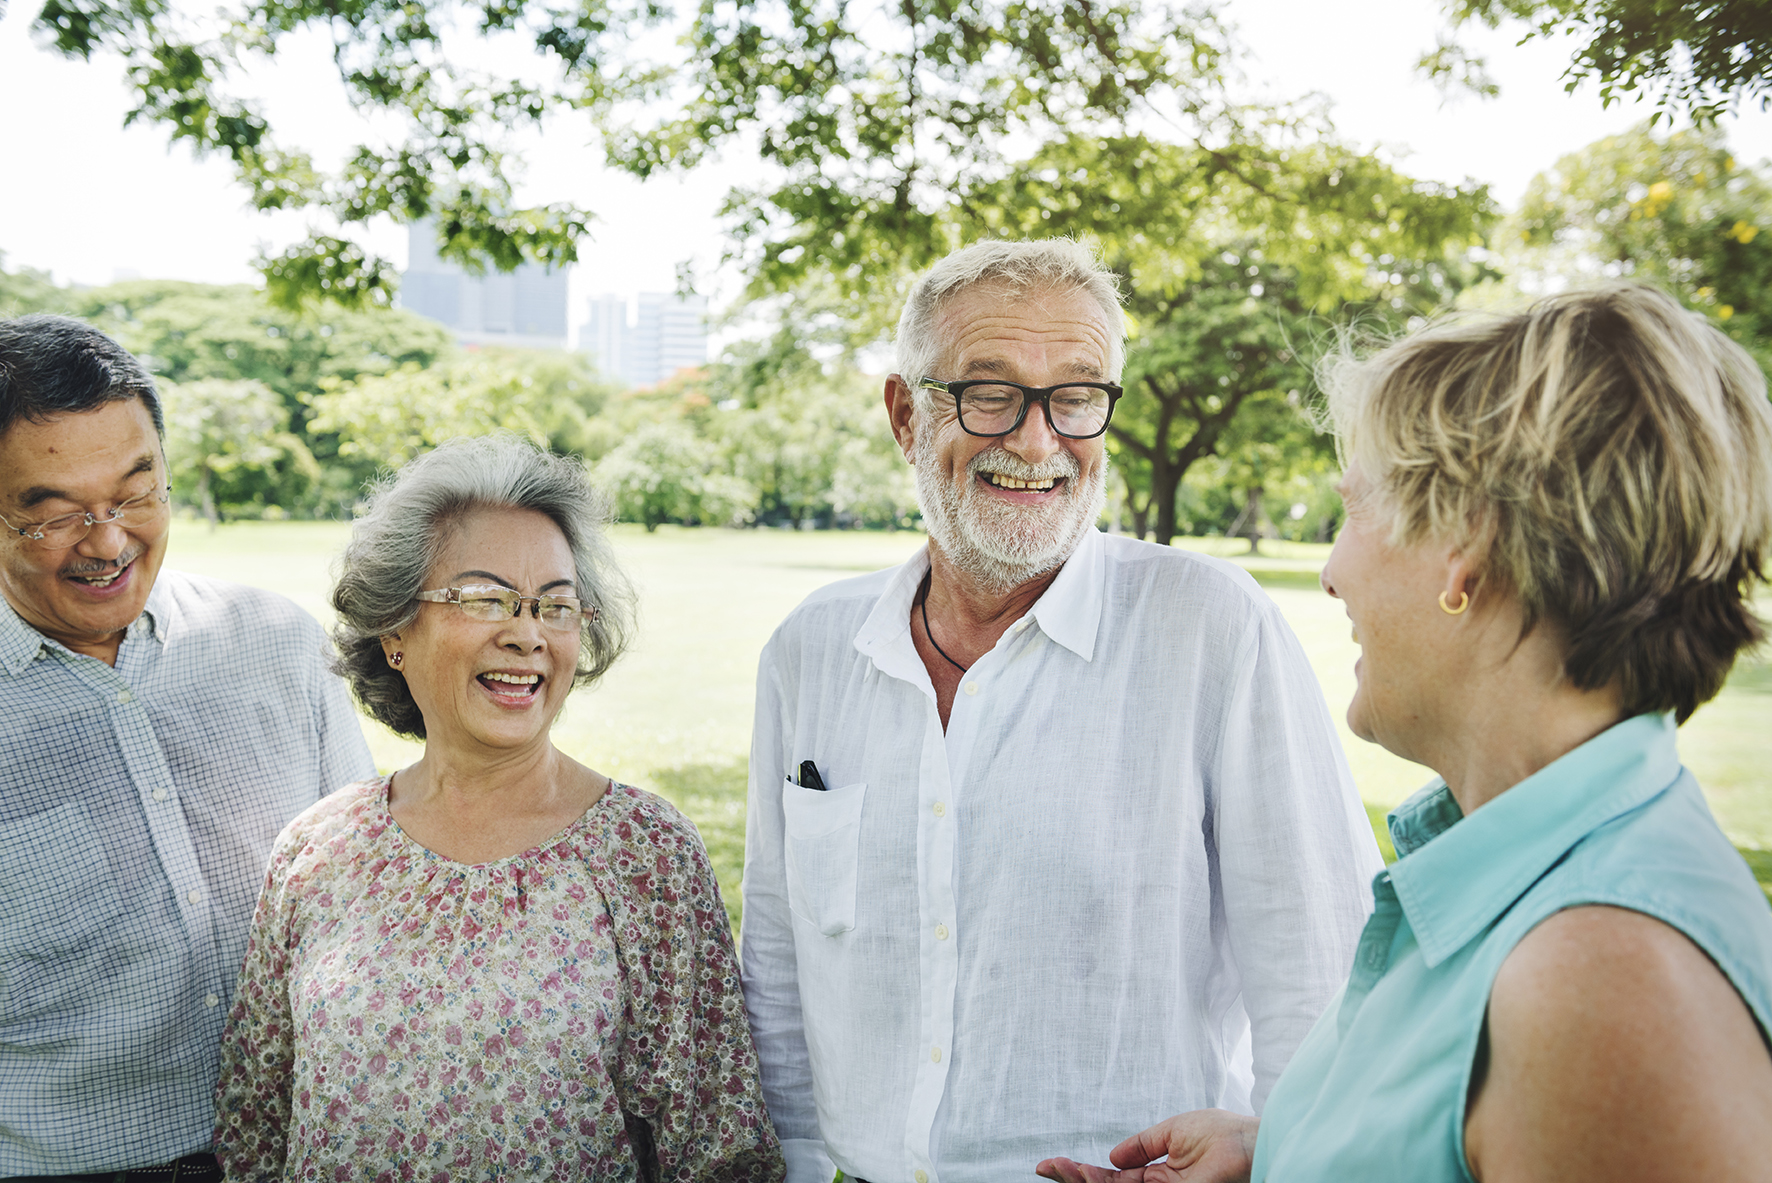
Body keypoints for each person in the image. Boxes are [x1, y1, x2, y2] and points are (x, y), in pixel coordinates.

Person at [1037, 282, 1772, 1183]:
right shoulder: (1526, 876)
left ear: (1468, 547)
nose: (1332, 574)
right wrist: (1280, 1152)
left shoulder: (1601, 975)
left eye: (1353, 510)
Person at [739, 239, 1383, 1183]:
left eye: (1077, 395)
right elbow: (780, 971)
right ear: (905, 414)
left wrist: (1282, 1162)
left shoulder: (1210, 628)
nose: (1037, 441)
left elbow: (1321, 978)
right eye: (989, 392)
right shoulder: (810, 648)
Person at [212, 435, 784, 1182]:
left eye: (556, 605)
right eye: (484, 598)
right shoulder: (318, 848)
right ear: (394, 629)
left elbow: (720, 1149)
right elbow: (257, 1121)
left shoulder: (644, 852)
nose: (527, 633)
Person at [0, 316, 375, 1181]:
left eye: (136, 494)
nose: (107, 541)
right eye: (56, 515)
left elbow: (366, 899)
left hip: (304, 1150)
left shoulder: (276, 643)